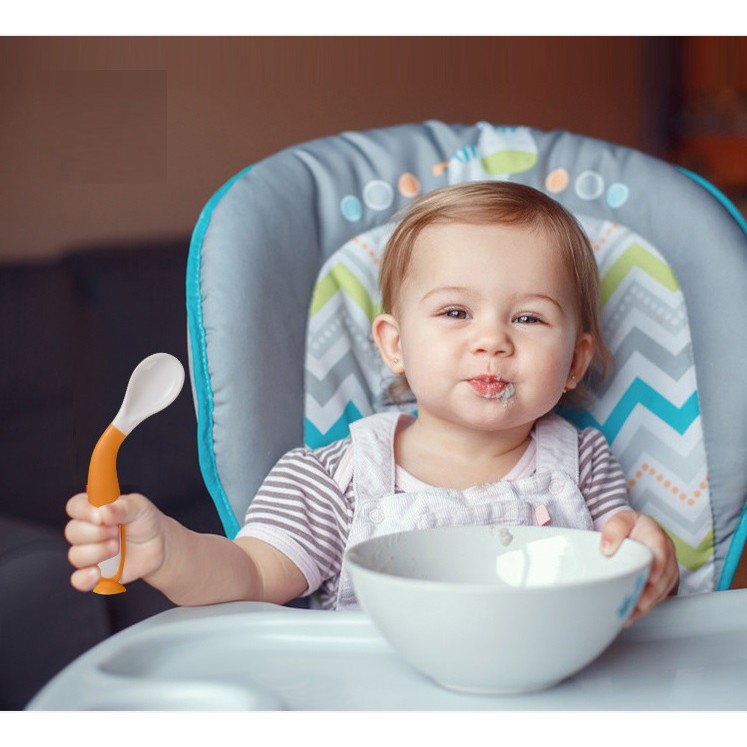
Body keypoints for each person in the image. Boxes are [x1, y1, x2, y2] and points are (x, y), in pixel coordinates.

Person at [65, 181, 678, 624]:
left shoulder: (582, 463)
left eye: (528, 317)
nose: (492, 339)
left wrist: (649, 560)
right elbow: (249, 576)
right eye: (455, 312)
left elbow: (623, 585)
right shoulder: (333, 478)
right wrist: (168, 551)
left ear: (574, 362)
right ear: (395, 345)